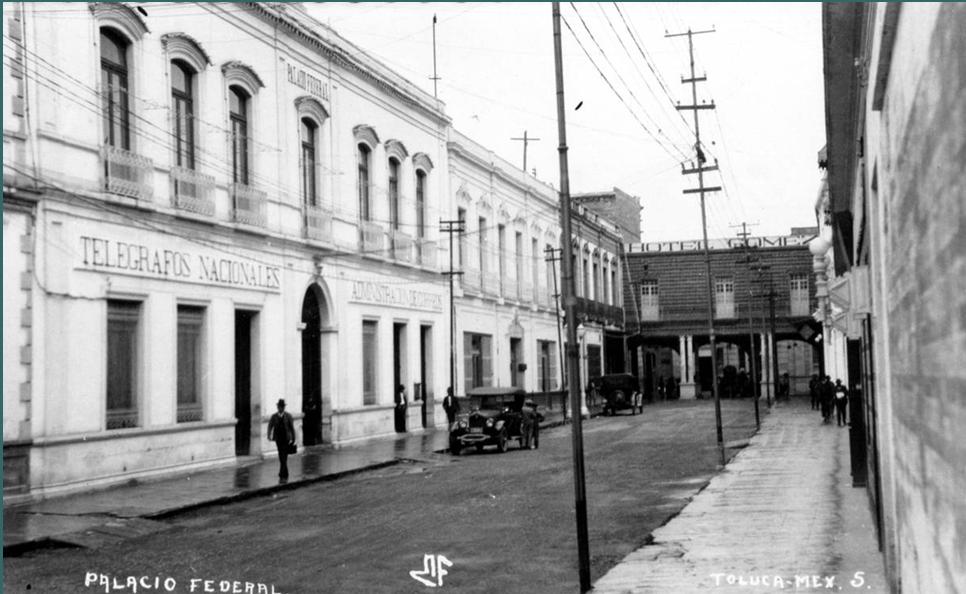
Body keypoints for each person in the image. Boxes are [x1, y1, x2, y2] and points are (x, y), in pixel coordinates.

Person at [267, 399, 296, 482]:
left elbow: (291, 427)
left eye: (282, 407)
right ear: (277, 407)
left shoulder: (288, 416)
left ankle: (283, 472)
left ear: (284, 407)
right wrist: (269, 435)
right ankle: (284, 472)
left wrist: (293, 438)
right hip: (278, 438)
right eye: (279, 407)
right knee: (281, 454)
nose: (280, 408)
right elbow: (270, 426)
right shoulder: (274, 416)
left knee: (284, 454)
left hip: (286, 438)